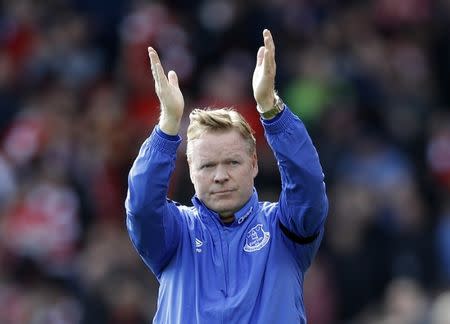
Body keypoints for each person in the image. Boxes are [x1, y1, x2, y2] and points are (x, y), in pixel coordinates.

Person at [125, 29, 328, 324]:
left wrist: (271, 108)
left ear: (254, 163)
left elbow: (308, 185)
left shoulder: (286, 229)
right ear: (191, 172)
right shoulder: (174, 234)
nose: (220, 176)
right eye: (207, 166)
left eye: (232, 162)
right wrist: (168, 126)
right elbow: (142, 206)